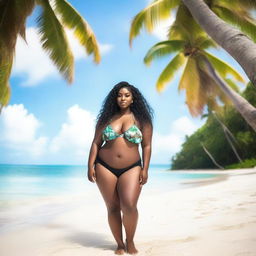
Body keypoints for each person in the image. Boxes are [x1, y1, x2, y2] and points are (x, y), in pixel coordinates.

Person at [87, 81, 153, 255]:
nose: (122, 98)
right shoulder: (106, 119)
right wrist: (90, 165)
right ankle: (119, 244)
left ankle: (129, 241)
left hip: (131, 167)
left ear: (133, 99)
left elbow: (147, 146)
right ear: (114, 98)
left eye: (127, 95)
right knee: (112, 207)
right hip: (104, 166)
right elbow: (96, 143)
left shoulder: (143, 120)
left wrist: (145, 169)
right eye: (119, 95)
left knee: (129, 205)